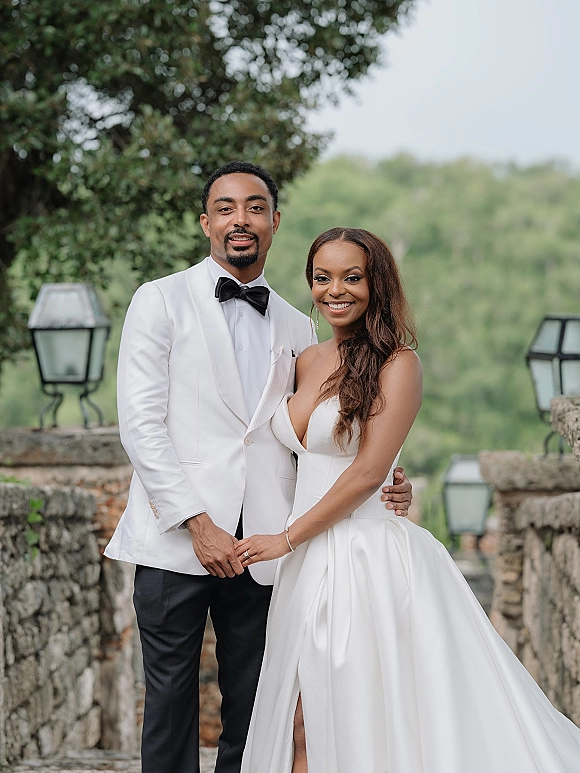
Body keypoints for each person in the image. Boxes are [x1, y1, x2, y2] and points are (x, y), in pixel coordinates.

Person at [104, 164, 413, 773]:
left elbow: (320, 432)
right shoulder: (159, 300)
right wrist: (198, 523)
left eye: (254, 207)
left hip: (267, 545)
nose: (239, 220)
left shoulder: (301, 324)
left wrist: (386, 478)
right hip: (175, 538)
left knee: (255, 705)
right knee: (168, 699)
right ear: (205, 222)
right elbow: (141, 426)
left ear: (274, 222)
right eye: (224, 208)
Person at [236, 227, 580, 773]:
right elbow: (296, 458)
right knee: (298, 719)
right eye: (322, 277)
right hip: (304, 564)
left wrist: (285, 537)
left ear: (377, 283)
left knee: (357, 714)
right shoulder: (303, 361)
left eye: (353, 277)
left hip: (363, 557)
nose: (336, 290)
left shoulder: (400, 364)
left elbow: (369, 470)